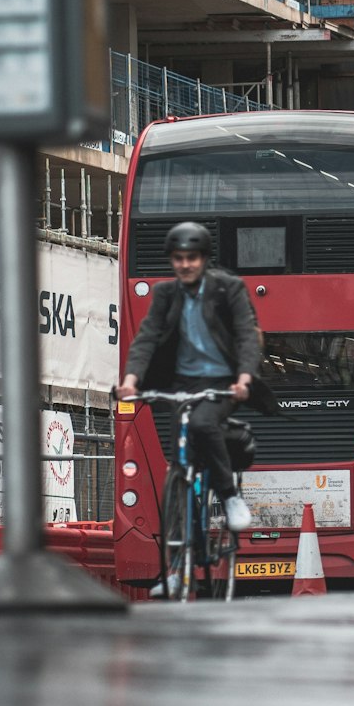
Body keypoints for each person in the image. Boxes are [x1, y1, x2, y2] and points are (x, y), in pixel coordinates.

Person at [117, 221, 262, 542]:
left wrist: (244, 378)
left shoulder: (228, 289)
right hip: (180, 383)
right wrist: (130, 380)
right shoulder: (165, 294)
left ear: (204, 259)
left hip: (223, 381)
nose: (185, 265)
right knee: (178, 461)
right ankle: (179, 565)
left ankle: (229, 495)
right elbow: (147, 338)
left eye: (192, 258)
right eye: (179, 258)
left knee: (201, 423)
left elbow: (246, 336)